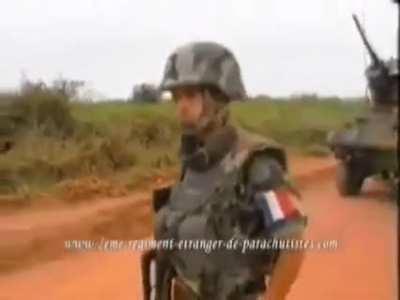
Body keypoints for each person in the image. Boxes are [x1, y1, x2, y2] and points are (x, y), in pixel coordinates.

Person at [141, 41, 307, 300]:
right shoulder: (196, 159)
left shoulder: (256, 163)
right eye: (177, 97)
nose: (181, 106)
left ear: (218, 98)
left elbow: (293, 242)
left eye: (191, 96)